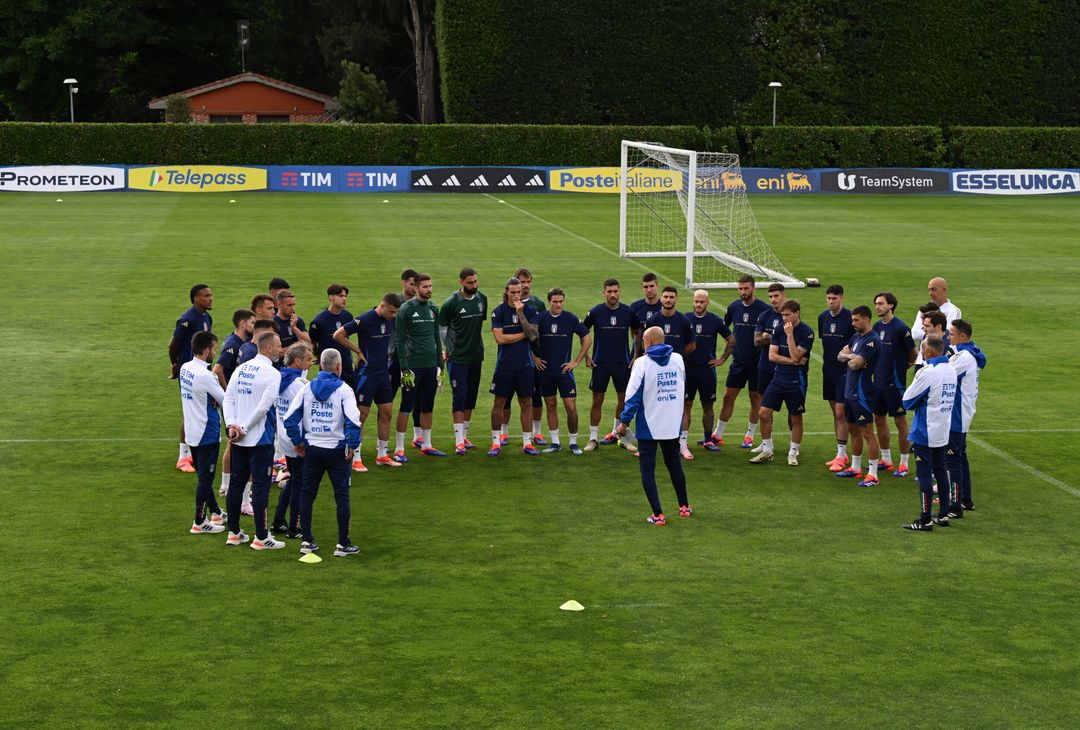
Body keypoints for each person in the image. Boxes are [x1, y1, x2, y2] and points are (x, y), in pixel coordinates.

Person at [285, 349, 363, 557]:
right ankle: (343, 544)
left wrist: (298, 441)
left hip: (313, 450)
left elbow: (289, 418)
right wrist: (352, 445)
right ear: (338, 367)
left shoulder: (307, 388)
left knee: (307, 494)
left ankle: (307, 540)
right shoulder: (344, 390)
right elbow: (354, 422)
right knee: (342, 496)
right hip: (336, 450)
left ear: (321, 365)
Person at [616, 325, 691, 525]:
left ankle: (658, 514)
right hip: (672, 424)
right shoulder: (678, 359)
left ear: (648, 341)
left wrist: (623, 422)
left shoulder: (642, 363)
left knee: (647, 470)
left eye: (643, 340)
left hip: (649, 426)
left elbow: (632, 397)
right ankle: (684, 506)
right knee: (674, 465)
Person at [223, 330, 284, 550]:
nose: (281, 349)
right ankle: (261, 537)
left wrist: (232, 426)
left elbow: (228, 399)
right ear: (269, 348)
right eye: (279, 346)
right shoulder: (272, 374)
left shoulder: (241, 368)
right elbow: (263, 408)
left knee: (236, 484)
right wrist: (244, 428)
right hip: (260, 439)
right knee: (260, 487)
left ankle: (233, 533)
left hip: (238, 439)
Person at [335, 293, 402, 468]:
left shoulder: (390, 319)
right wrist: (357, 351)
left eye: (396, 312)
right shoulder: (364, 320)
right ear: (382, 306)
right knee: (361, 415)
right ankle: (356, 457)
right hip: (367, 374)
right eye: (391, 312)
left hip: (383, 373)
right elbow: (338, 335)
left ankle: (382, 455)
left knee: (387, 412)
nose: (393, 316)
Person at [900, 334, 957, 531]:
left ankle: (925, 520)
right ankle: (943, 514)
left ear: (930, 351)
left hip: (925, 431)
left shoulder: (929, 372)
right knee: (941, 471)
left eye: (923, 348)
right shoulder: (951, 369)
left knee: (924, 475)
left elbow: (907, 401)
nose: (921, 352)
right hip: (942, 430)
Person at [750, 300, 814, 465]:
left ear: (797, 313)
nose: (784, 318)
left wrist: (790, 336)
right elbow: (772, 356)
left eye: (787, 315)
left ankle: (793, 452)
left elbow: (796, 355)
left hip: (796, 380)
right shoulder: (779, 328)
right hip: (778, 378)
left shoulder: (807, 332)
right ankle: (767, 450)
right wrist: (793, 361)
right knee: (764, 413)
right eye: (782, 315)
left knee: (796, 417)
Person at [582, 279, 641, 452]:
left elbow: (637, 332)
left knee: (623, 400)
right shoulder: (595, 312)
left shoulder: (628, 312)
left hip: (622, 363)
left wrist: (635, 356)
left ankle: (619, 435)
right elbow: (582, 332)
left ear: (619, 291)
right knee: (597, 400)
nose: (612, 295)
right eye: (609, 291)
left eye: (615, 291)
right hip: (600, 363)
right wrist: (586, 356)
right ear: (604, 292)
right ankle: (593, 438)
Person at [714, 275, 771, 448]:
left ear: (754, 289)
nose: (743, 292)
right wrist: (726, 354)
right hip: (738, 361)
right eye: (740, 288)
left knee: (755, 398)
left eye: (746, 288)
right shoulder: (733, 307)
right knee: (728, 397)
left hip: (757, 362)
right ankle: (718, 434)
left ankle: (749, 435)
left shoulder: (764, 309)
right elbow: (724, 330)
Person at [534, 287, 592, 455]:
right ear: (549, 302)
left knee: (571, 407)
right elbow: (529, 338)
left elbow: (587, 339)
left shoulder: (571, 318)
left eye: (560, 301)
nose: (558, 305)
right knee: (550, 405)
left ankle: (573, 442)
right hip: (545, 371)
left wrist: (576, 361)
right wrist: (534, 357)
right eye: (555, 302)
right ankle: (555, 442)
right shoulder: (540, 318)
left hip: (564, 372)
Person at [180, 331, 227, 534]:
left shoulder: (185, 368)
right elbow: (224, 400)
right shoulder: (206, 375)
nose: (215, 352)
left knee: (203, 477)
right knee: (205, 480)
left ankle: (215, 512)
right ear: (207, 350)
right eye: (214, 349)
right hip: (207, 433)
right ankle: (199, 522)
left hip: (192, 431)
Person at [487, 277, 541, 456]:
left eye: (519, 292)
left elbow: (533, 336)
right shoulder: (498, 312)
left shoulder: (530, 310)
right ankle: (496, 443)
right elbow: (500, 339)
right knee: (499, 403)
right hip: (505, 366)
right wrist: (524, 334)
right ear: (507, 292)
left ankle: (527, 443)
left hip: (525, 366)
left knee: (526, 403)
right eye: (513, 292)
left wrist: (521, 314)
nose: (517, 295)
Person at [394, 273, 445, 456]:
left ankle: (427, 445)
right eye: (425, 287)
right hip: (413, 366)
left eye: (430, 286)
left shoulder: (434, 308)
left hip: (430, 366)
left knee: (428, 405)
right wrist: (404, 368)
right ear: (415, 288)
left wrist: (440, 366)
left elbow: (436, 338)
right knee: (406, 406)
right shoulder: (406, 309)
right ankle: (399, 449)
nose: (429, 289)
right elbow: (399, 341)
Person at [439, 268, 488, 455]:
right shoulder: (452, 302)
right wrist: (450, 348)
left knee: (470, 397)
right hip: (458, 357)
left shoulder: (482, 299)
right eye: (470, 282)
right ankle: (458, 441)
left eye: (475, 281)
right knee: (459, 396)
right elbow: (442, 329)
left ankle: (464, 436)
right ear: (461, 282)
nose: (474, 285)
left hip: (476, 356)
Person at [836, 306, 883, 487]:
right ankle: (855, 468)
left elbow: (856, 365)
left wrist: (851, 358)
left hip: (862, 393)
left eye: (856, 320)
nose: (853, 323)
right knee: (853, 430)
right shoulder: (856, 337)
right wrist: (852, 357)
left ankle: (873, 474)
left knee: (867, 432)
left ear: (866, 319)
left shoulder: (872, 341)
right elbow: (840, 357)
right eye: (852, 320)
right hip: (850, 392)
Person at [871, 292, 917, 477]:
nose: (877, 307)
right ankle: (886, 459)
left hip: (895, 384)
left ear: (891, 305)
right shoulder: (876, 326)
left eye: (881, 303)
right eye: (876, 304)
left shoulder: (901, 328)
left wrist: (903, 367)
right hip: (878, 383)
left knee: (900, 421)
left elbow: (913, 354)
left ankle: (904, 463)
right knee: (879, 419)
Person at [169, 283, 213, 473]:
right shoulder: (187, 320)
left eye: (210, 295)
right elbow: (173, 345)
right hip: (189, 373)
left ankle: (193, 453)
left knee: (199, 410)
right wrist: (175, 364)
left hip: (202, 373)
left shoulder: (207, 317)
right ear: (196, 298)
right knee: (190, 412)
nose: (210, 298)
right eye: (206, 296)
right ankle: (183, 457)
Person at [270, 343, 313, 538]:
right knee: (300, 483)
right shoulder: (300, 385)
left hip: (284, 437)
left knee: (294, 478)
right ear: (297, 361)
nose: (311, 363)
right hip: (298, 439)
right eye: (308, 359)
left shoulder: (279, 377)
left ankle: (279, 520)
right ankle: (294, 527)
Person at [212, 308, 254, 500]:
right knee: (233, 442)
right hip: (235, 402)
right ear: (243, 324)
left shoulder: (243, 342)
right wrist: (229, 392)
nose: (254, 326)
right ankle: (225, 485)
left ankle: (230, 485)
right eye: (252, 323)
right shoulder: (233, 344)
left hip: (238, 400)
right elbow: (218, 369)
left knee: (236, 442)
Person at [685, 290, 734, 453]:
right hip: (688, 369)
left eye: (702, 302)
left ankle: (708, 440)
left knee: (708, 406)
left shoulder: (715, 320)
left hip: (706, 370)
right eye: (696, 301)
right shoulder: (685, 319)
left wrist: (722, 359)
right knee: (686, 405)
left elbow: (731, 339)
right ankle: (683, 441)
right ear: (693, 301)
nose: (699, 304)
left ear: (708, 302)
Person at [503, 267, 547, 446]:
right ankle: (504, 433)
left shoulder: (537, 304)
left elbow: (538, 333)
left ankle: (537, 432)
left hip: (536, 358)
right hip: (514, 357)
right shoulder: (506, 305)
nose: (526, 285)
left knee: (536, 396)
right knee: (506, 397)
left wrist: (536, 355)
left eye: (528, 282)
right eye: (522, 282)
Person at [947, 319, 986, 516]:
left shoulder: (964, 357)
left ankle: (955, 506)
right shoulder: (968, 354)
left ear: (962, 336)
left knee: (953, 460)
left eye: (952, 333)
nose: (948, 337)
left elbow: (944, 376)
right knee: (960, 457)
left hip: (958, 414)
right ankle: (965, 500)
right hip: (962, 412)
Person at [652, 287, 697, 458]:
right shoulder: (654, 319)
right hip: (656, 371)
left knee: (681, 405)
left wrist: (675, 359)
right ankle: (651, 442)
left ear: (676, 299)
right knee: (654, 404)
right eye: (665, 297)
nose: (668, 300)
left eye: (671, 297)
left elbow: (692, 345)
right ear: (661, 298)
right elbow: (647, 343)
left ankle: (683, 444)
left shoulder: (684, 321)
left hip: (677, 373)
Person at [819, 285, 854, 471]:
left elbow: (857, 343)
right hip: (828, 371)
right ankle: (842, 453)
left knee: (841, 413)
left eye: (834, 298)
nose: (831, 301)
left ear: (842, 298)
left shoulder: (850, 318)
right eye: (828, 298)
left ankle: (841, 456)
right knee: (836, 413)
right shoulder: (823, 317)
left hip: (844, 372)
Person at [391, 269, 420, 457]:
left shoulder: (420, 304)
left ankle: (418, 437)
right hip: (395, 359)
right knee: (388, 400)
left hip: (415, 360)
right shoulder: (395, 303)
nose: (414, 288)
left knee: (416, 399)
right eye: (411, 284)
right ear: (403, 283)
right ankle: (382, 443)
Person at [308, 283, 355, 389]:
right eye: (341, 296)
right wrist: (319, 356)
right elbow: (313, 343)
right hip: (328, 366)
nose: (344, 298)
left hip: (346, 364)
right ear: (331, 297)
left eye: (345, 296)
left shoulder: (348, 316)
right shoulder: (319, 321)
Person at [911, 277, 961, 353]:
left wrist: (928, 332)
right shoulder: (924, 309)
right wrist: (934, 331)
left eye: (933, 289)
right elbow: (915, 333)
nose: (930, 293)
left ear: (944, 290)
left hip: (942, 353)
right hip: (924, 354)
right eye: (929, 290)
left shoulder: (953, 311)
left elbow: (947, 335)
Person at [630, 272, 663, 354]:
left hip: (658, 354)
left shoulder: (663, 307)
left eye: (652, 286)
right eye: (646, 287)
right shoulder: (635, 307)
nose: (649, 290)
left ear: (657, 286)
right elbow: (633, 332)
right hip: (638, 354)